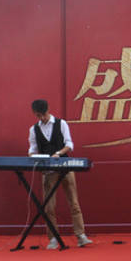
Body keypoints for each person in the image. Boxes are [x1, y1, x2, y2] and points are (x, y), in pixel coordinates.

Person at [28, 99, 92, 249]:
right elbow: (32, 149)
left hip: (65, 167)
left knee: (74, 203)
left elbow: (69, 144)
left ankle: (81, 236)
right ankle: (53, 238)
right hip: (48, 171)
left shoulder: (61, 123)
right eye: (38, 115)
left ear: (48, 110)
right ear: (35, 114)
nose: (42, 118)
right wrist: (34, 156)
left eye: (43, 114)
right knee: (49, 207)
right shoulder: (34, 129)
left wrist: (58, 153)